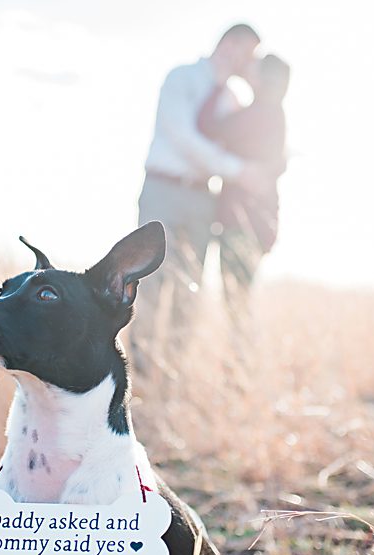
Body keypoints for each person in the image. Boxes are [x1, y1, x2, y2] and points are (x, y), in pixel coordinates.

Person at [131, 24, 266, 372]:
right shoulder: (182, 78)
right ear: (226, 43)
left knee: (187, 288)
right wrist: (236, 170)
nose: (244, 59)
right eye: (243, 50)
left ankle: (173, 369)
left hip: (204, 198)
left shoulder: (233, 98)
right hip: (164, 189)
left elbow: (246, 133)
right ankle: (142, 370)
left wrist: (255, 82)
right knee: (150, 281)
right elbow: (183, 137)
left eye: (251, 56)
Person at [198, 54, 290, 328]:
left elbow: (207, 126)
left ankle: (242, 364)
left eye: (255, 67)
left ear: (263, 79)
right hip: (258, 220)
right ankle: (242, 363)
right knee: (239, 300)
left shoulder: (257, 114)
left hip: (240, 221)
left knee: (236, 303)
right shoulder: (274, 113)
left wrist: (218, 84)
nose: (248, 68)